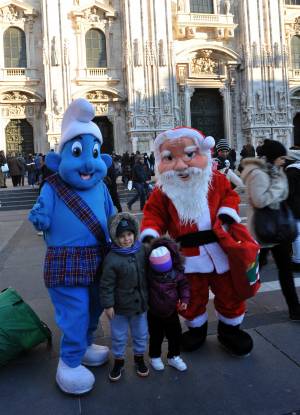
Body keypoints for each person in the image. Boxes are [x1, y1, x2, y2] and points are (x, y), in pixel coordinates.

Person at [141, 127, 254, 357]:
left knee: (229, 292)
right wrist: (151, 235)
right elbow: (153, 213)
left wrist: (225, 213)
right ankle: (196, 329)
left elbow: (230, 196)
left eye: (189, 155)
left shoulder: (217, 180)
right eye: (170, 158)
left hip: (220, 249)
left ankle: (230, 329)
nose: (181, 166)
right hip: (189, 256)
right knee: (191, 295)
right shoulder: (164, 191)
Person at [28, 98, 115, 394]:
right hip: (65, 260)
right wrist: (40, 217)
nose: (89, 163)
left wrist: (123, 232)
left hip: (99, 258)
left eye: (94, 152)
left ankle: (84, 345)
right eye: (78, 152)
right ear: (59, 157)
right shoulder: (52, 187)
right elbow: (41, 217)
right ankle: (68, 363)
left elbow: (112, 215)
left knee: (94, 307)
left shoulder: (101, 186)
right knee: (75, 311)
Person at [241, 139, 300, 321]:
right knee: (254, 270)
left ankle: (294, 309)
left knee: (283, 269)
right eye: (281, 157)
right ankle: (235, 303)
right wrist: (278, 187)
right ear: (274, 157)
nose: (284, 160)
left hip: (275, 229)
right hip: (263, 230)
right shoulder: (257, 174)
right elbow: (260, 201)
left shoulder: (273, 171)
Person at [100, 213, 149, 381]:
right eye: (121, 236)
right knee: (119, 335)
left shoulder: (142, 250)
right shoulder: (112, 259)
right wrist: (108, 305)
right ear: (115, 238)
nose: (126, 239)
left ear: (134, 233)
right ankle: (119, 360)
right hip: (119, 307)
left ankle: (139, 358)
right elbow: (106, 285)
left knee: (141, 333)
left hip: (140, 305)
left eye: (129, 234)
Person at [147, 238, 190, 372]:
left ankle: (174, 356)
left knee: (175, 335)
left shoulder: (176, 274)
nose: (163, 273)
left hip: (171, 311)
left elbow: (184, 286)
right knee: (155, 336)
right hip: (153, 312)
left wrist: (184, 300)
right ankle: (154, 356)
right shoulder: (149, 275)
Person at [285, 150, 300, 272]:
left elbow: (289, 192)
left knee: (297, 236)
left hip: (295, 207)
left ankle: (297, 261)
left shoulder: (291, 172)